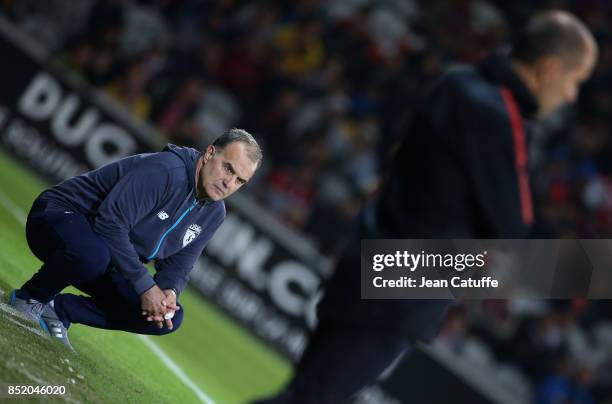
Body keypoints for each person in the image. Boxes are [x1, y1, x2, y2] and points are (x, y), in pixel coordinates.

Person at [255, 10, 598, 403]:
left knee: (305, 392)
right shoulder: (502, 115)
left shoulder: (456, 81)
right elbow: (512, 226)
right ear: (549, 69)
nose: (572, 95)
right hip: (410, 277)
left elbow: (393, 151)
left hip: (368, 253)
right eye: (575, 81)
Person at [9, 128, 262, 350]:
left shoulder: (214, 213)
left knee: (167, 316)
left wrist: (169, 292)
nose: (229, 183)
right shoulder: (166, 170)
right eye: (228, 168)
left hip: (104, 253)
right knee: (93, 255)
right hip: (57, 218)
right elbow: (110, 223)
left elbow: (179, 265)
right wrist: (144, 286)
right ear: (209, 154)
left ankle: (59, 310)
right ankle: (30, 297)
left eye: (240, 180)